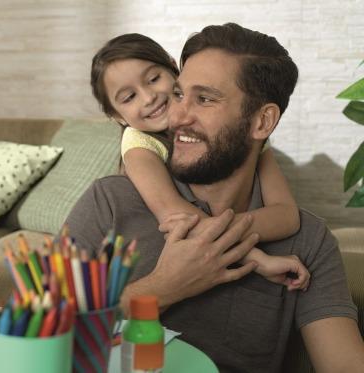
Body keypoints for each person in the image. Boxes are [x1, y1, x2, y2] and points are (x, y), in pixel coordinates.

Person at [66, 23, 364, 372]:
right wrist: (161, 289)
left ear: (262, 122)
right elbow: (32, 338)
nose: (175, 114)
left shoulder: (309, 242)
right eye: (179, 94)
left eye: (204, 99)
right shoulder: (109, 201)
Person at [90, 33, 310, 292]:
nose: (148, 97)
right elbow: (176, 216)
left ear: (174, 68)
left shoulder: (242, 137)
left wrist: (221, 226)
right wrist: (258, 259)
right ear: (117, 115)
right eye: (129, 98)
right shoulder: (138, 144)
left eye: (153, 79)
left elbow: (286, 216)